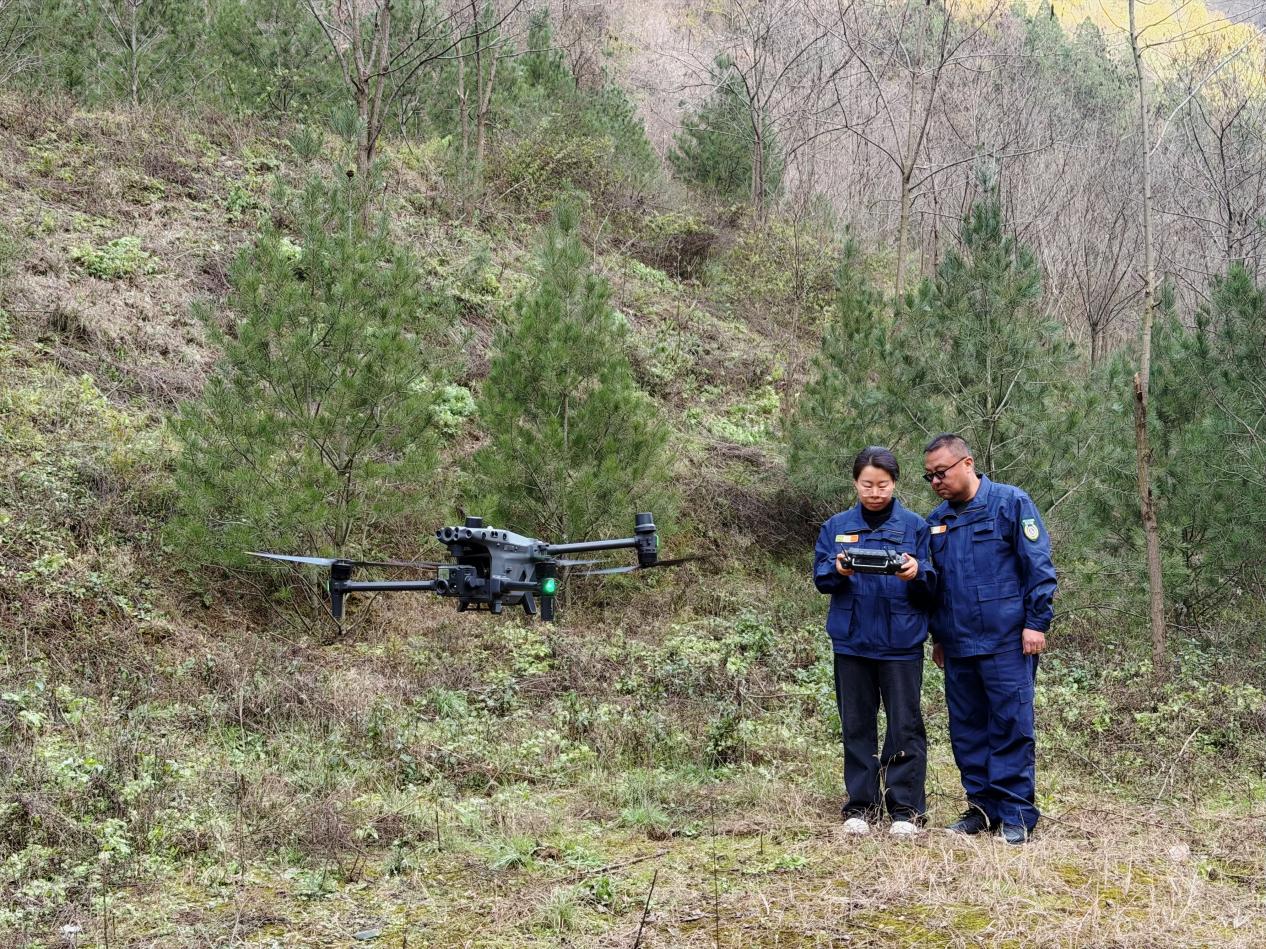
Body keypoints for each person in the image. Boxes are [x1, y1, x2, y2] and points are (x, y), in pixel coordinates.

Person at [921, 433, 1056, 845]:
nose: (936, 482)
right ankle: (982, 809)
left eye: (941, 472)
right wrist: (938, 638)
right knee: (967, 731)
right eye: (928, 477)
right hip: (958, 647)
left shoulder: (1011, 503)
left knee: (1011, 726)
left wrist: (1037, 622)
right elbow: (936, 587)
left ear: (967, 463)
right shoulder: (936, 521)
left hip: (1006, 643)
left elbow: (1039, 566)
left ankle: (1017, 814)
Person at [814, 446, 936, 837]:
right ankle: (861, 806)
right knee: (856, 725)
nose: (875, 492)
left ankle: (905, 810)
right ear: (855, 483)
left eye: (882, 484)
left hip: (901, 644)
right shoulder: (835, 527)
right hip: (852, 643)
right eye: (867, 484)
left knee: (905, 725)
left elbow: (933, 583)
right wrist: (838, 569)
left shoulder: (916, 527)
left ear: (895, 483)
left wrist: (916, 573)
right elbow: (821, 580)